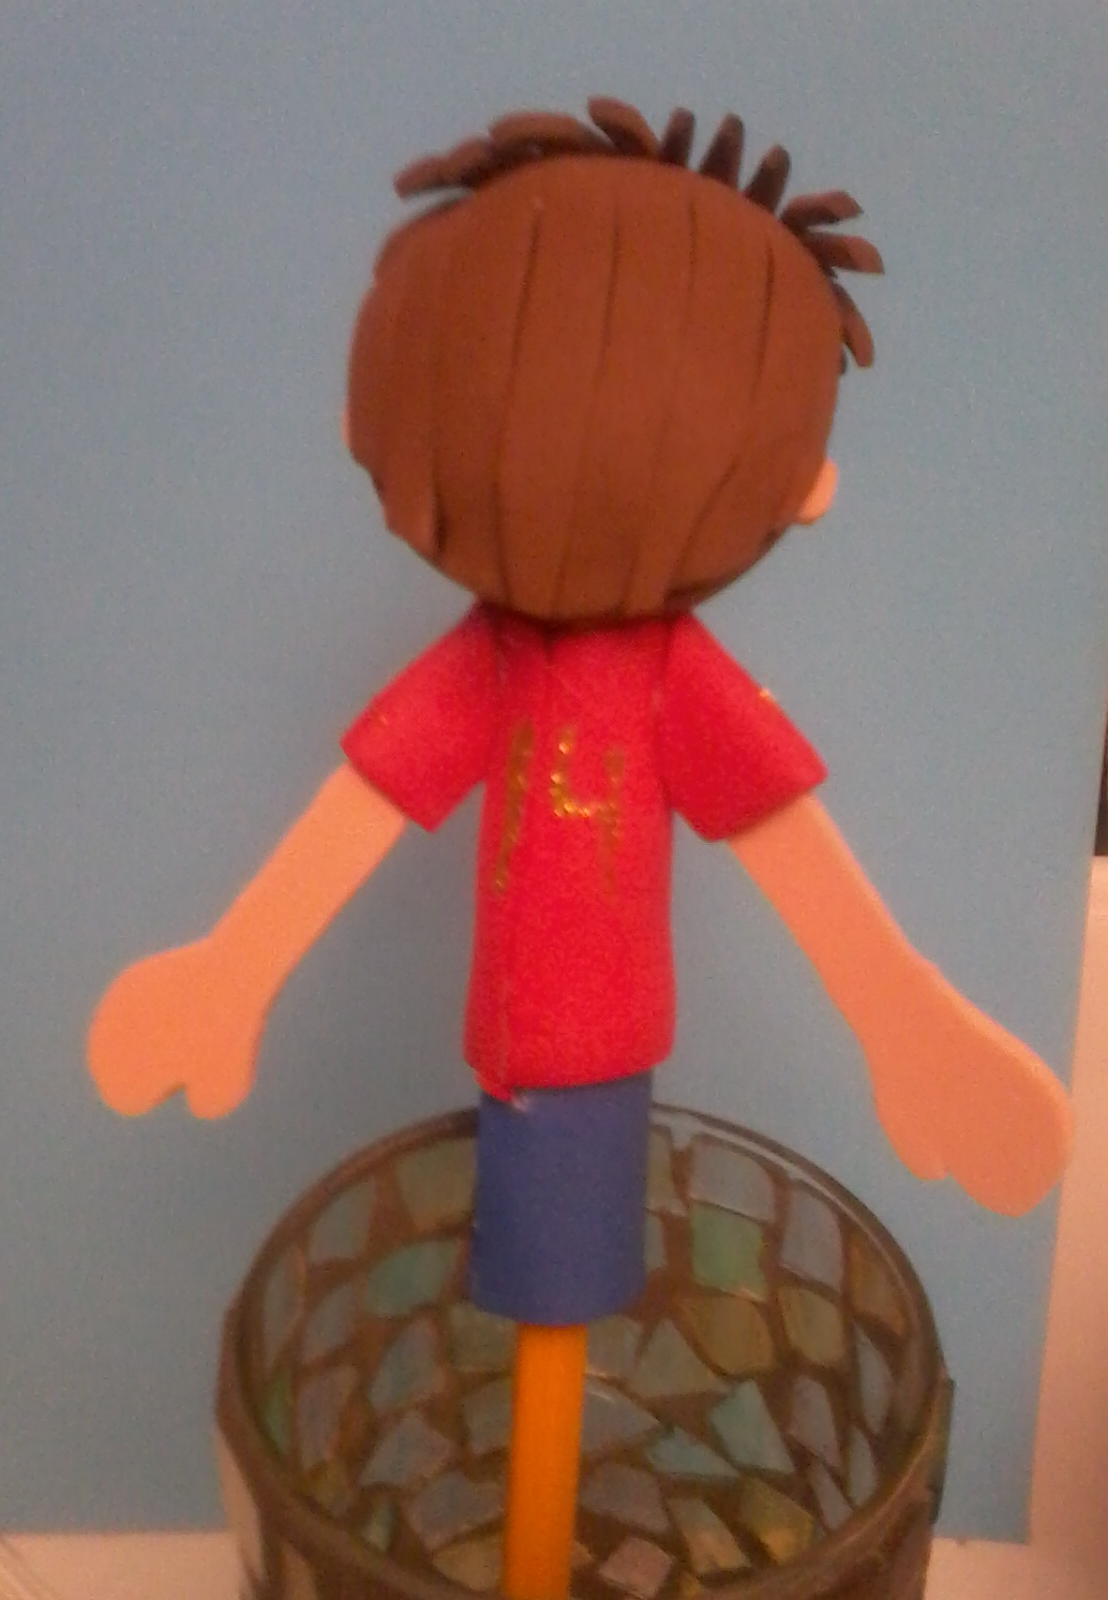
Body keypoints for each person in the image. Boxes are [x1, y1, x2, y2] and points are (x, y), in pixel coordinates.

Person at [88, 99, 1073, 1600]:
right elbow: (362, 811)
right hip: (537, 1063)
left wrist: (910, 1025)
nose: (814, 486)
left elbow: (791, 849)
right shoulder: (495, 666)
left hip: (593, 1064)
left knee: (570, 1288)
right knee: (536, 1298)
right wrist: (230, 973)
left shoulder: (667, 683)